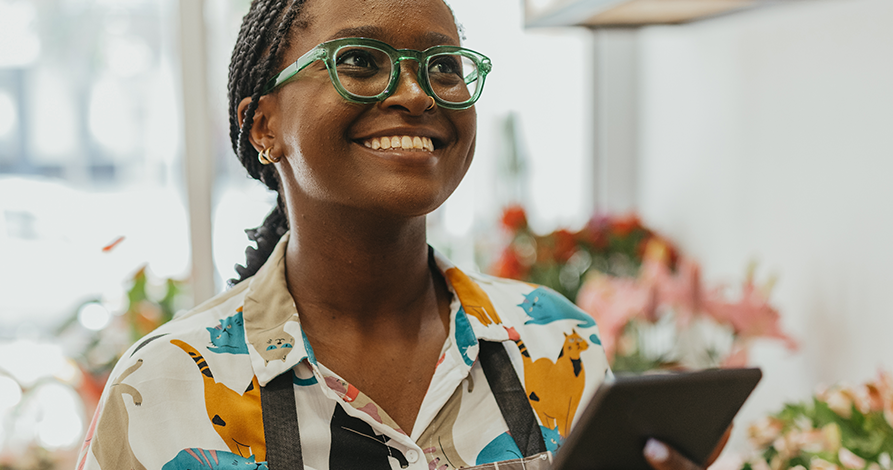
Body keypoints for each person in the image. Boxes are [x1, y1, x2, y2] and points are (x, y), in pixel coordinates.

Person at [76, 0, 725, 468]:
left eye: (444, 67)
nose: (418, 93)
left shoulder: (556, 342)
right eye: (359, 61)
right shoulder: (168, 385)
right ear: (263, 124)